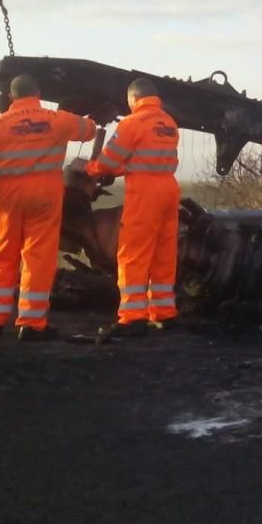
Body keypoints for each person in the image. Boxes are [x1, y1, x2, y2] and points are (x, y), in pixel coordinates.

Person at [0, 73, 96, 340]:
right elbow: (89, 131)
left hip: (8, 195)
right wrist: (84, 112)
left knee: (1, 255)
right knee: (38, 257)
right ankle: (31, 323)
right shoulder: (59, 120)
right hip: (45, 194)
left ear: (10, 97)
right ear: (39, 94)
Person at [86, 78, 180, 337]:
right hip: (169, 191)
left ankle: (132, 317)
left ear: (132, 99)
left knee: (133, 254)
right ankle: (163, 313)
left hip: (145, 194)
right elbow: (143, 155)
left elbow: (109, 160)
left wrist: (92, 169)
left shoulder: (131, 123)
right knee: (164, 253)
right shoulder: (168, 123)